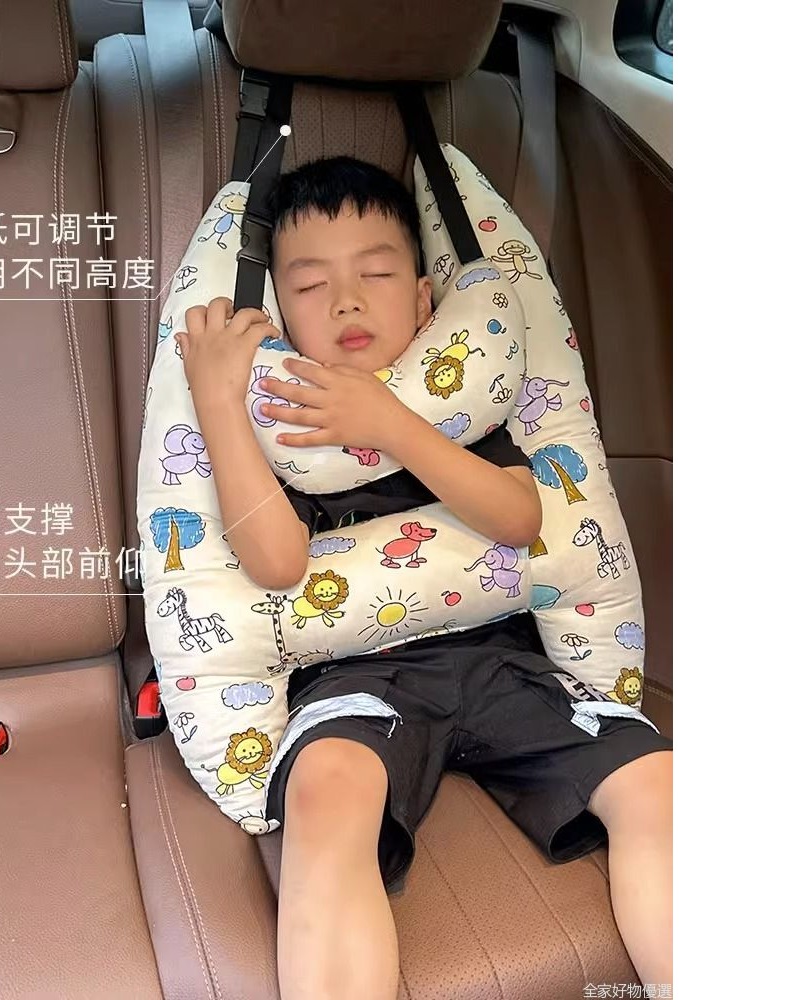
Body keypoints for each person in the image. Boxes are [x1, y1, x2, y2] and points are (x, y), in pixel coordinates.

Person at [173, 156, 672, 1000]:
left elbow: (520, 519)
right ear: (280, 315)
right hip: (358, 679)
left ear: (421, 302)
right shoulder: (285, 428)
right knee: (326, 796)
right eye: (311, 285)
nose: (346, 300)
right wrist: (219, 400)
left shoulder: (461, 411)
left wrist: (394, 424)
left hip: (504, 662)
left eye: (374, 274)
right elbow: (277, 564)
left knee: (658, 781)